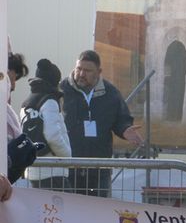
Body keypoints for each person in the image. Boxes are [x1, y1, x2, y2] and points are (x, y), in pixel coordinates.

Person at [60, 49, 144, 197]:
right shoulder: (62, 90)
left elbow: (121, 118)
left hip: (99, 170)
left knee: (98, 215)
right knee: (69, 215)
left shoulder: (110, 93)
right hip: (69, 167)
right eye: (79, 68)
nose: (81, 74)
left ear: (99, 72)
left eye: (87, 70)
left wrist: (125, 129)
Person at [20, 58, 72, 192]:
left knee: (42, 212)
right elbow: (52, 135)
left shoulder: (26, 104)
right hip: (53, 171)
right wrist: (68, 157)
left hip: (32, 169)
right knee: (64, 211)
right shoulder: (49, 102)